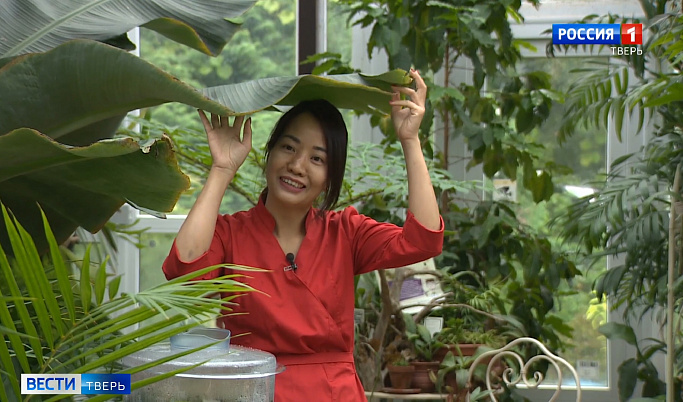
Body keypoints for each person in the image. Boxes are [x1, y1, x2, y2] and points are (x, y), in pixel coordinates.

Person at [162, 69, 444, 401]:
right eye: (288, 148)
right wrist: (222, 169)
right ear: (269, 153)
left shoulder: (346, 232)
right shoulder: (230, 233)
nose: (297, 165)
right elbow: (185, 273)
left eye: (316, 158)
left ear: (330, 175)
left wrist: (410, 140)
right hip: (254, 391)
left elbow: (423, 239)